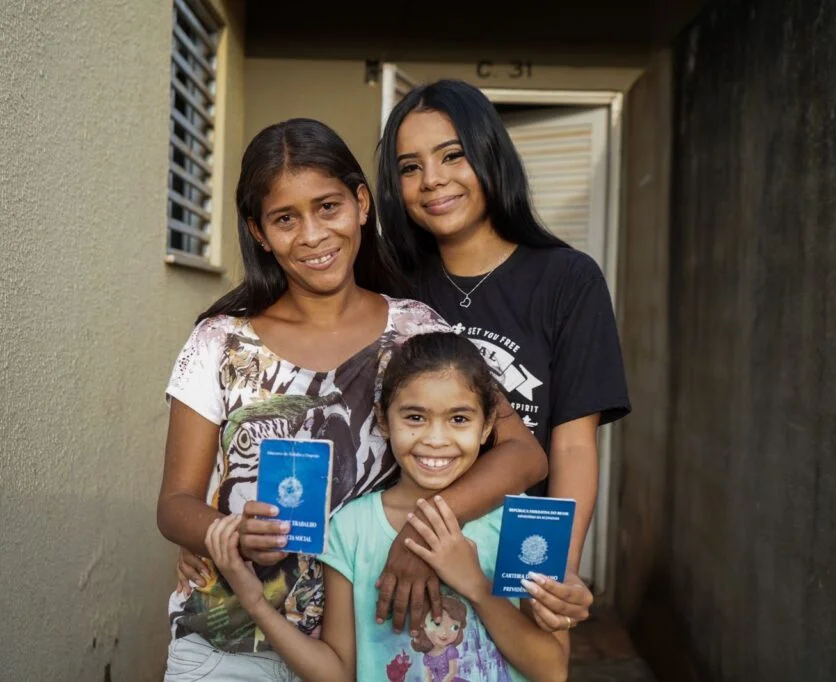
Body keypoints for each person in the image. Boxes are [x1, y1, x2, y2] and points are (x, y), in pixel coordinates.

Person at [157, 118, 548, 680]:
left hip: (375, 645)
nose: (313, 235)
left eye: (328, 207)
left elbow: (523, 453)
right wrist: (227, 532)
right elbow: (175, 502)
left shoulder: (415, 331)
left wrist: (422, 532)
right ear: (259, 232)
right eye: (285, 219)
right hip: (230, 642)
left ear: (362, 203)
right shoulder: (219, 342)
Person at [376, 79, 631, 633]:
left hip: (513, 560)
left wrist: (559, 565)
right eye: (410, 167)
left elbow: (570, 443)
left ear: (490, 154)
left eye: (452, 155)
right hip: (393, 560)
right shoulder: (389, 284)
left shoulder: (567, 279)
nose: (433, 180)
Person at [205, 332, 570, 682]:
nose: (436, 439)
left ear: (488, 424)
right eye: (415, 417)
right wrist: (255, 603)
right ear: (383, 419)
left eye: (459, 419)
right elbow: (338, 672)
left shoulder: (523, 523)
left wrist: (475, 585)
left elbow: (553, 670)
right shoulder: (351, 528)